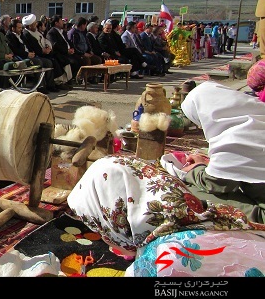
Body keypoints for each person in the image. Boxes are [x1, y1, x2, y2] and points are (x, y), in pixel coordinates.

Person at [67, 154, 265, 277]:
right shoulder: (215, 217)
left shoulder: (161, 263)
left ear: (116, 219)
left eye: (98, 227)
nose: (102, 237)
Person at [179, 80, 265, 224]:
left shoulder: (235, 137)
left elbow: (219, 185)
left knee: (189, 192)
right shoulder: (257, 114)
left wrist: (194, 170)